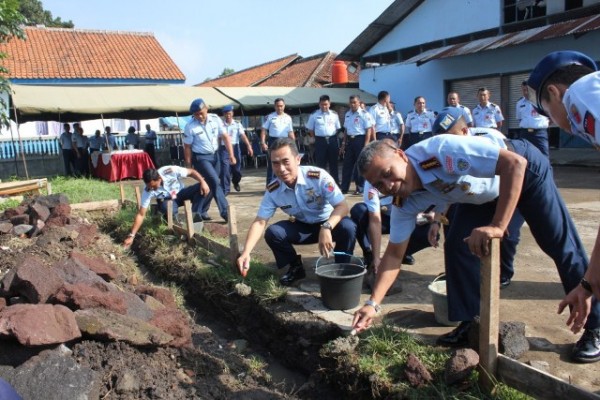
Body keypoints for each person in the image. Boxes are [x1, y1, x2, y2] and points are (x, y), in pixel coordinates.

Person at [351, 112, 600, 363]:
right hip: (478, 194)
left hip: (523, 173)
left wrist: (498, 225)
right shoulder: (403, 203)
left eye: (387, 172)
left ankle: (595, 327)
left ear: (402, 156)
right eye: (379, 184)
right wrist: (373, 304)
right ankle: (472, 323)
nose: (389, 184)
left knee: (559, 244)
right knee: (458, 245)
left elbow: (514, 165)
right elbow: (394, 254)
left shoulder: (440, 151)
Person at [526, 50, 600, 341]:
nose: (554, 123)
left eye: (548, 113)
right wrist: (588, 284)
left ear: (556, 93)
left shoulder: (581, 95)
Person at [236, 138, 356, 286]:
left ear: (298, 159)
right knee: (274, 233)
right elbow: (260, 221)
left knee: (348, 227)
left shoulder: (317, 177)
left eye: (286, 162)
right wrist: (246, 253)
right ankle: (296, 268)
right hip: (303, 227)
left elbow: (342, 206)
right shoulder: (274, 189)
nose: (281, 169)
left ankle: (342, 268)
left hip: (329, 224)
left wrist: (326, 227)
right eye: (275, 163)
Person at [350, 177, 437, 276]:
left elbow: (431, 204)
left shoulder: (409, 176)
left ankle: (402, 253)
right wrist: (376, 258)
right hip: (383, 220)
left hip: (405, 218)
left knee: (430, 230)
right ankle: (369, 255)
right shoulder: (372, 181)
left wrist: (430, 217)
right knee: (358, 211)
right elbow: (375, 220)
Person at [123, 166, 209, 247]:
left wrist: (202, 181)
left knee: (204, 187)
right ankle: (177, 228)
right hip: (167, 200)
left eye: (153, 186)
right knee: (168, 209)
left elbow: (191, 172)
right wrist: (131, 236)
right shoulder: (148, 190)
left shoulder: (169, 171)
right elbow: (141, 214)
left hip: (180, 192)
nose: (151, 189)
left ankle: (195, 219)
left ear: (159, 179)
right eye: (149, 187)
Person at [183, 98, 235, 222]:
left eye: (201, 113)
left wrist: (231, 155)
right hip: (201, 158)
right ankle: (225, 212)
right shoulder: (190, 126)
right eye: (196, 114)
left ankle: (198, 211)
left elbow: (225, 137)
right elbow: (187, 147)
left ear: (206, 109)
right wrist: (189, 165)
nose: (199, 116)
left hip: (215, 156)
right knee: (215, 181)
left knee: (211, 184)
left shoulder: (215, 119)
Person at [341, 95, 373, 195]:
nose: (353, 104)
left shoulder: (364, 114)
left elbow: (368, 130)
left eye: (355, 102)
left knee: (360, 165)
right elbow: (346, 129)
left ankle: (360, 188)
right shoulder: (348, 114)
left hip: (360, 140)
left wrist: (366, 144)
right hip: (350, 141)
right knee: (347, 165)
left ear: (359, 103)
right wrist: (343, 143)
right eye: (351, 102)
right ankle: (344, 188)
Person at [306, 94, 341, 184]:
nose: (324, 106)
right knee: (320, 164)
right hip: (320, 141)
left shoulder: (334, 114)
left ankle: (335, 183)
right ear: (319, 104)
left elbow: (337, 128)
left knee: (333, 163)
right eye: (322, 104)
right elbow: (310, 129)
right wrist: (315, 138)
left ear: (329, 104)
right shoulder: (314, 115)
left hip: (332, 140)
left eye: (326, 104)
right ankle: (319, 184)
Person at [260, 98, 295, 184]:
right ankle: (270, 186)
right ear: (275, 107)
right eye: (278, 106)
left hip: (285, 141)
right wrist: (263, 142)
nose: (279, 108)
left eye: (281, 106)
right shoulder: (270, 117)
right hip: (273, 142)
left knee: (285, 163)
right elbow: (264, 130)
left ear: (284, 106)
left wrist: (294, 143)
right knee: (273, 164)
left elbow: (290, 132)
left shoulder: (288, 118)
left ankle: (284, 183)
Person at [220, 105, 253, 195]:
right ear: (224, 114)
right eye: (226, 114)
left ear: (232, 113)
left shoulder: (238, 124)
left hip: (235, 147)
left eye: (229, 113)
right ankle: (225, 190)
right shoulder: (220, 125)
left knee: (237, 169)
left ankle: (235, 181)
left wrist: (249, 146)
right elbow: (218, 138)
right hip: (224, 148)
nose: (228, 115)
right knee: (225, 170)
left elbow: (243, 136)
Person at [515, 81, 551, 156]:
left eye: (527, 90)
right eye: (523, 90)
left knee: (543, 154)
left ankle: (546, 168)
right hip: (525, 133)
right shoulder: (520, 103)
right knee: (524, 155)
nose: (525, 92)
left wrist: (543, 125)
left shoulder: (540, 101)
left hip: (539, 133)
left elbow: (551, 116)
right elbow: (519, 118)